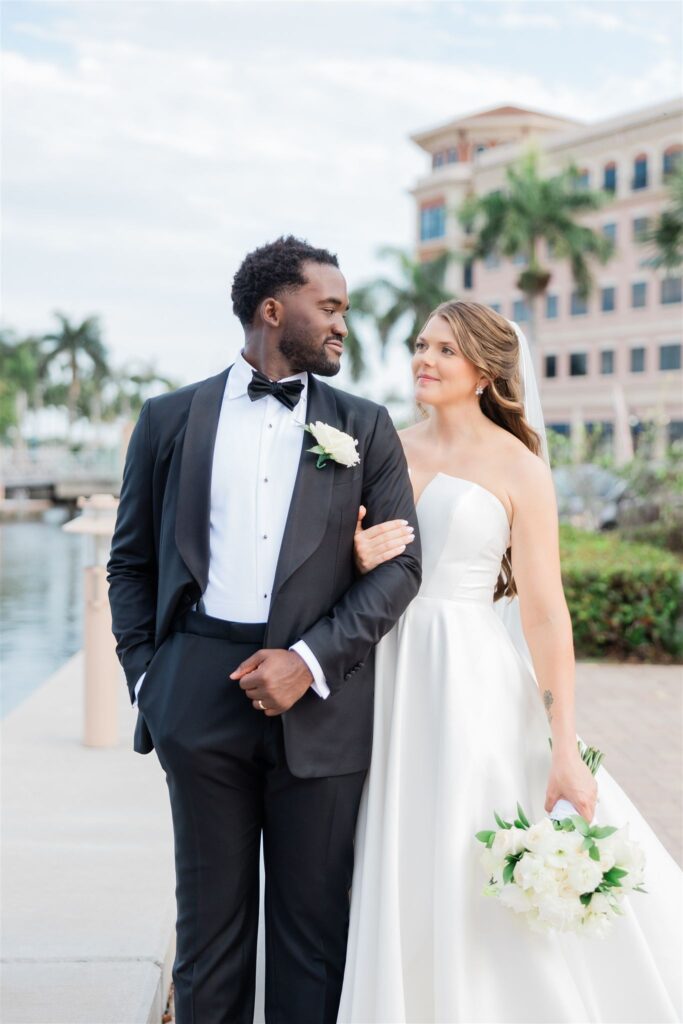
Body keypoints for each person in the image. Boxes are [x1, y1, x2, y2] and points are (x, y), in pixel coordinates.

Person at [338, 300, 682, 1023]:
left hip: (466, 679)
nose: (424, 359)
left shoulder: (519, 467)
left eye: (446, 350)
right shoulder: (381, 445)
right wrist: (356, 558)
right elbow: (331, 561)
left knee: (462, 840)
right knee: (387, 842)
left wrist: (565, 747)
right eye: (421, 345)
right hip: (376, 666)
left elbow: (545, 613)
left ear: (487, 370)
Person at [106, 235, 422, 1024]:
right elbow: (130, 564)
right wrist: (150, 683)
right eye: (330, 307)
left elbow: (400, 569)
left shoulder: (365, 425)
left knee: (311, 938)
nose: (343, 324)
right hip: (196, 695)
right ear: (273, 311)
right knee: (207, 935)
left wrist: (308, 661)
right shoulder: (168, 419)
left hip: (321, 705)